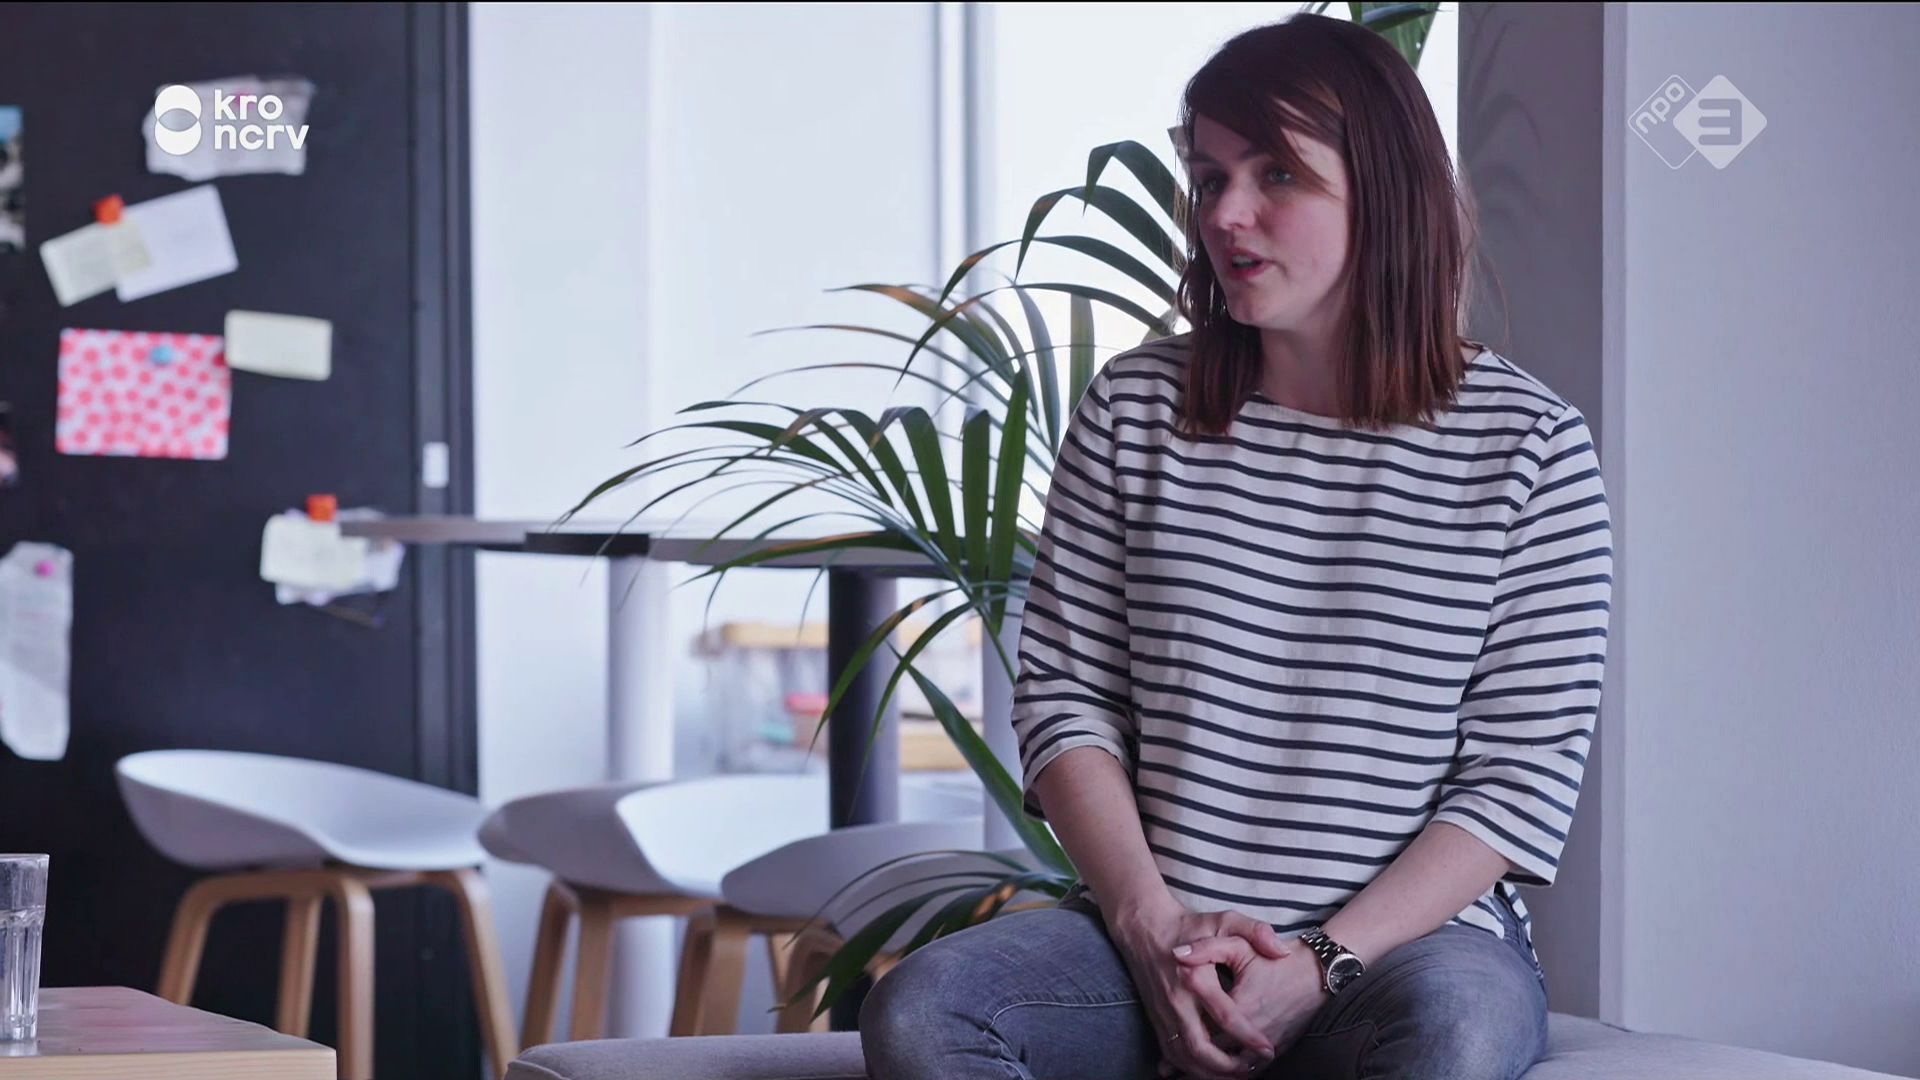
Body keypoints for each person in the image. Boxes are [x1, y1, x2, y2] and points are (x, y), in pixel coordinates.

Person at [860, 13, 1613, 1080]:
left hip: (1408, 957)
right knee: (927, 1011)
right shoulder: (1134, 407)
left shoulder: (1530, 445)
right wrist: (1150, 926)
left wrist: (1321, 963)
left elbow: (1516, 780)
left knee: (1456, 1035)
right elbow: (1068, 700)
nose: (1225, 213)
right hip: (1159, 943)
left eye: (1277, 175)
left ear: (1385, 192)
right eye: (1209, 178)